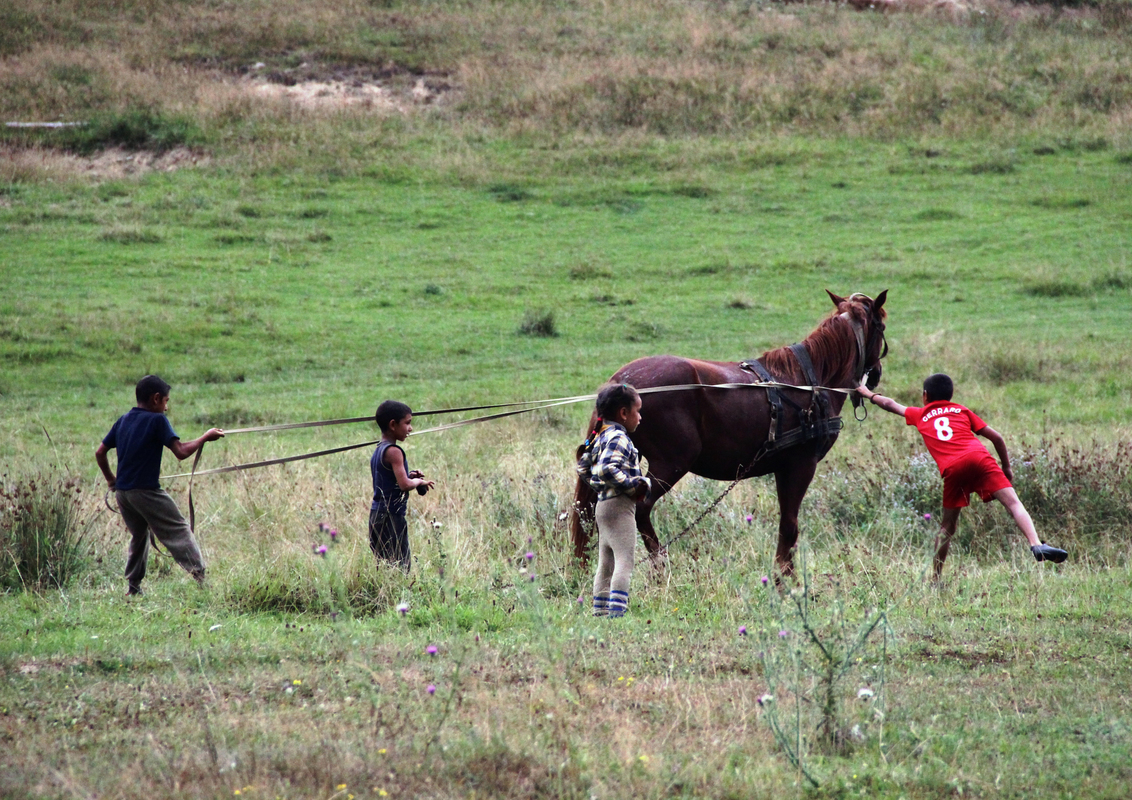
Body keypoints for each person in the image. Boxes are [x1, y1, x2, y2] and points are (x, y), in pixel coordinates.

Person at [856, 373, 1067, 579]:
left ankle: (936, 578)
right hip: (980, 458)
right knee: (1013, 504)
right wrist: (1007, 467)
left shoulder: (920, 414)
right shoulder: (961, 410)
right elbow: (997, 438)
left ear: (925, 395)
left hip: (953, 468)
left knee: (947, 527)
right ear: (950, 395)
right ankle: (1036, 544)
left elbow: (891, 404)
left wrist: (867, 393)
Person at [95, 375, 224, 596]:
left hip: (124, 494)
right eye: (166, 401)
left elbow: (100, 452)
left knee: (140, 535)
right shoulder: (157, 421)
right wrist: (205, 437)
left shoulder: (123, 420)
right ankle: (202, 579)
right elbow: (181, 452)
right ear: (156, 399)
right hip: (147, 492)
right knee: (179, 529)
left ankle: (133, 588)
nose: (166, 407)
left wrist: (110, 480)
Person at [577, 383, 650, 617]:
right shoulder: (619, 437)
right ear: (624, 413)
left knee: (605, 564)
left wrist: (600, 486)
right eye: (638, 411)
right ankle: (617, 615)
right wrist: (633, 486)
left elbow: (583, 467)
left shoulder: (600, 436)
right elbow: (608, 468)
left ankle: (600, 612)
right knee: (625, 562)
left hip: (603, 506)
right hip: (620, 508)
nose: (640, 417)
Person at [370, 400, 434, 571]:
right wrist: (419, 481)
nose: (410, 428)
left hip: (377, 514)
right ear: (393, 424)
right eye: (407, 423)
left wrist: (410, 475)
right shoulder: (394, 451)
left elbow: (390, 479)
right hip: (391, 516)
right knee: (400, 566)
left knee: (383, 565)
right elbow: (405, 485)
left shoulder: (379, 449)